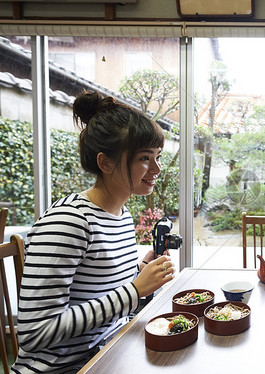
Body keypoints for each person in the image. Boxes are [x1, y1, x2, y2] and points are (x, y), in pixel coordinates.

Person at [11, 91, 176, 373]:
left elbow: (98, 287)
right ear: (106, 163)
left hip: (107, 357)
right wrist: (134, 291)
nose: (157, 168)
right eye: (145, 158)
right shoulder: (68, 221)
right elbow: (35, 332)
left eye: (158, 156)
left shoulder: (121, 215)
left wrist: (141, 269)